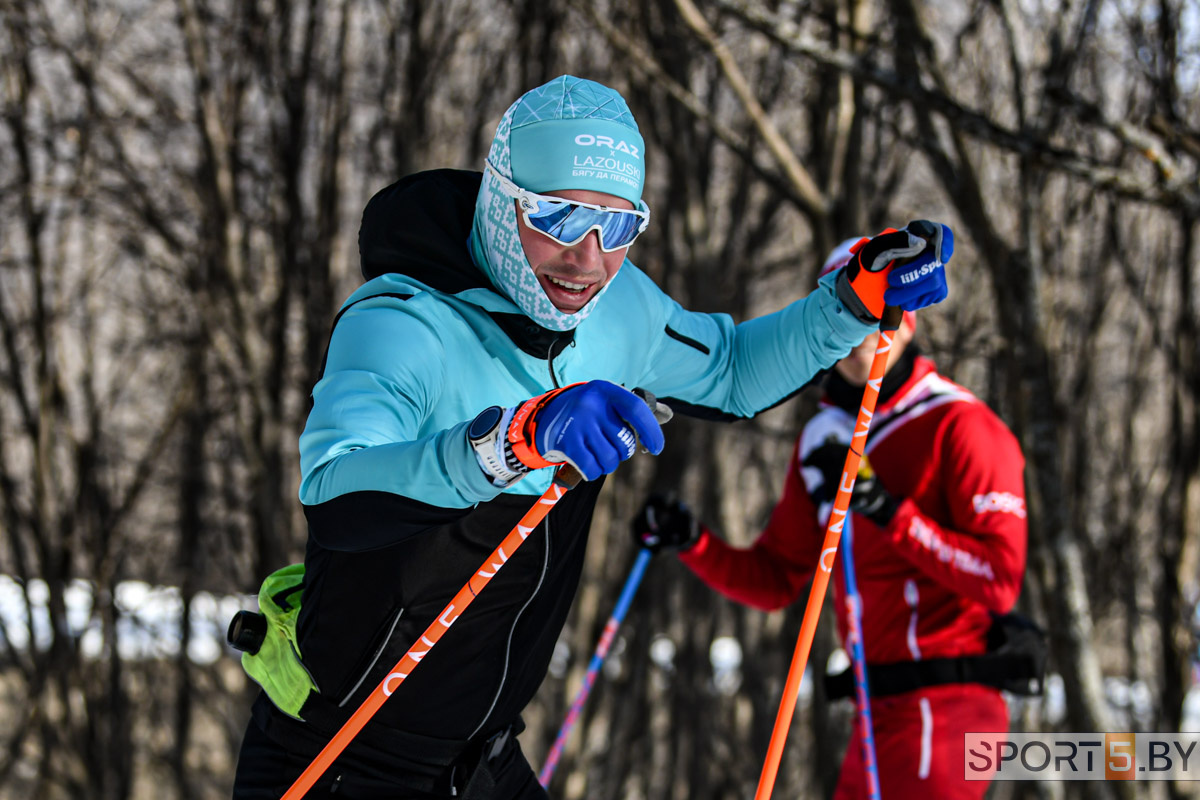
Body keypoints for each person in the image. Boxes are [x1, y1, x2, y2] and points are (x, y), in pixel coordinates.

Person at [231, 75, 952, 800]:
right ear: (501, 198)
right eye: (560, 219)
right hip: (343, 753)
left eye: (619, 227)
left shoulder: (619, 311)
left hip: (480, 761)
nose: (589, 259)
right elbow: (335, 490)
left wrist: (849, 306)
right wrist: (514, 440)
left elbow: (731, 372)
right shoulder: (403, 322)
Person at [632, 238, 1031, 800]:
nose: (853, 339)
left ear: (907, 325)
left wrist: (887, 510)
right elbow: (776, 578)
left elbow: (999, 579)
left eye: (873, 319)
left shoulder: (960, 425)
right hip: (874, 712)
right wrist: (694, 542)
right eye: (848, 316)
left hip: (947, 711)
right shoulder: (828, 437)